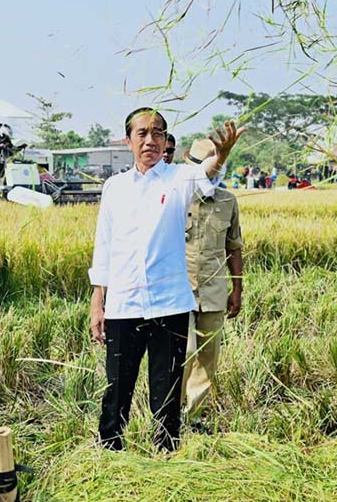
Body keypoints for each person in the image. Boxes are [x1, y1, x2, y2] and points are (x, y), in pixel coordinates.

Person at [89, 107, 244, 452]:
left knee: (168, 385)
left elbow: (209, 173)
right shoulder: (114, 188)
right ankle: (109, 447)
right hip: (124, 303)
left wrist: (222, 154)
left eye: (158, 133)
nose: (150, 140)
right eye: (142, 133)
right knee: (118, 385)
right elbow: (105, 247)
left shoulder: (179, 179)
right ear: (127, 141)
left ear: (165, 140)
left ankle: (165, 451)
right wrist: (98, 301)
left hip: (169, 303)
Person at [181, 138, 243, 422]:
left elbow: (234, 246)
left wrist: (237, 288)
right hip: (179, 289)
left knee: (207, 357)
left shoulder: (228, 201)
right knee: (185, 352)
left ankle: (193, 417)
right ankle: (169, 413)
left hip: (214, 290)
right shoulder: (177, 197)